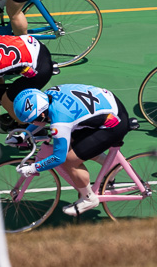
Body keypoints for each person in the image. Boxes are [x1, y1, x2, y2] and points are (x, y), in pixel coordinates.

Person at [13, 84, 131, 217]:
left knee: (70, 160)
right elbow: (43, 119)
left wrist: (33, 168)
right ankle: (113, 165)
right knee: (72, 143)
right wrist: (23, 135)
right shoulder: (46, 96)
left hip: (113, 123)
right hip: (109, 105)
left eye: (33, 121)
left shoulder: (60, 122)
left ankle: (88, 199)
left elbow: (59, 158)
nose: (33, 124)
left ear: (42, 114)